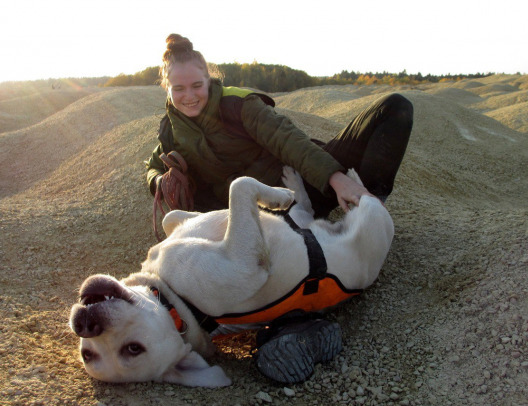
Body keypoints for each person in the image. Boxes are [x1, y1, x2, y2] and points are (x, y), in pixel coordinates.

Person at [145, 34, 413, 384]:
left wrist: (336, 179)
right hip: (249, 230)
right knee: (262, 281)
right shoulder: (170, 128)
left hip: (298, 186)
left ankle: (369, 207)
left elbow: (289, 140)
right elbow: (150, 166)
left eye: (198, 85)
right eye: (178, 89)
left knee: (395, 107)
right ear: (166, 86)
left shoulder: (239, 106)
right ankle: (293, 327)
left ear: (209, 78)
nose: (190, 95)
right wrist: (160, 180)